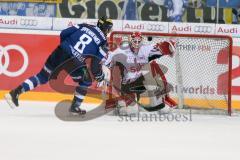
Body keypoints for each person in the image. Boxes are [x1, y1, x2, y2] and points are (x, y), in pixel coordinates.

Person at [5, 16, 113, 115]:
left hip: (61, 51)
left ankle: (15, 92)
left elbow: (63, 33)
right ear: (107, 30)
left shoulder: (84, 25)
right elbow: (95, 65)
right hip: (74, 62)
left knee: (42, 77)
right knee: (86, 81)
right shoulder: (104, 43)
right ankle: (75, 107)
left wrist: (65, 47)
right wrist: (99, 76)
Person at [104, 32, 177, 115]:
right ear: (131, 41)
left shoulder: (145, 49)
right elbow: (107, 61)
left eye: (139, 41)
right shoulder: (121, 51)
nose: (137, 43)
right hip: (126, 86)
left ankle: (159, 105)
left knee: (151, 80)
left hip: (138, 82)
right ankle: (120, 105)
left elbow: (160, 47)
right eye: (135, 41)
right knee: (133, 112)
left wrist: (170, 45)